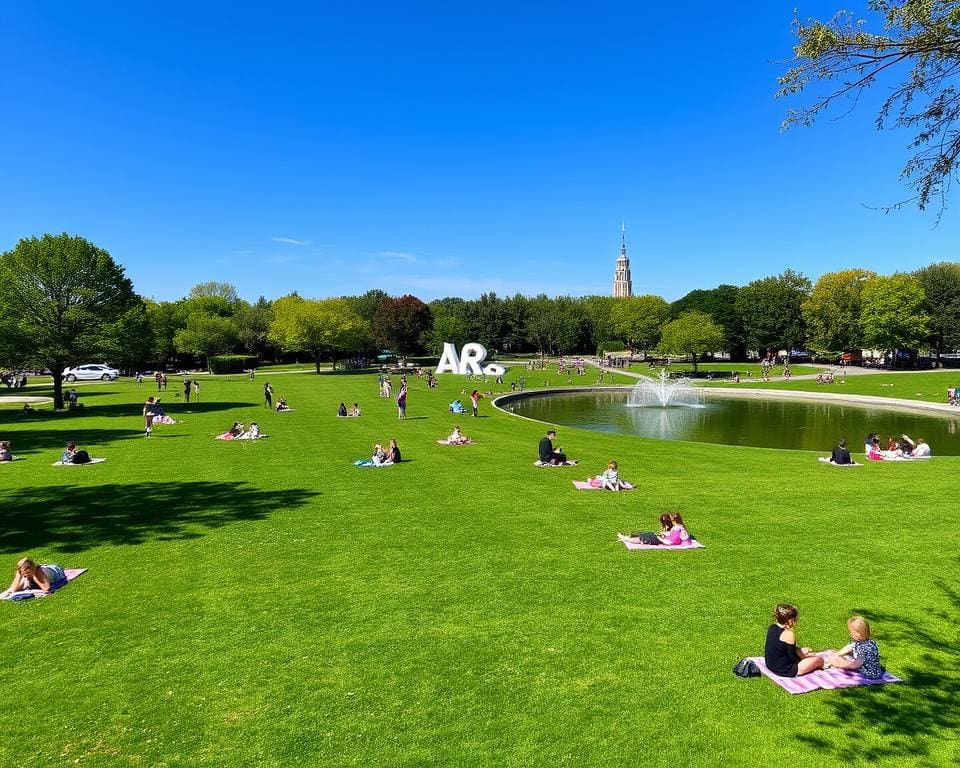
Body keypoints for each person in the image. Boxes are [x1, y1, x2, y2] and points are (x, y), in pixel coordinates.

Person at [764, 604, 825, 677]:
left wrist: (800, 650)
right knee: (819, 659)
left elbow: (782, 647)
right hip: (785, 670)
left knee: (805, 652)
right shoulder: (789, 634)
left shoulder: (772, 627)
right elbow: (794, 659)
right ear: (790, 621)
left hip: (771, 665)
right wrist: (805, 657)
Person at [1, 558, 67, 597]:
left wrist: (35, 577)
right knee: (24, 582)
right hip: (38, 570)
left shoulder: (39, 573)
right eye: (23, 573)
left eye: (28, 573)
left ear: (33, 569)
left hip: (56, 570)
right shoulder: (22, 573)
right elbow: (12, 589)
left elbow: (47, 589)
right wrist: (19, 575)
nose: (25, 575)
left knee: (26, 582)